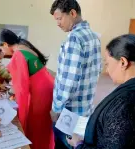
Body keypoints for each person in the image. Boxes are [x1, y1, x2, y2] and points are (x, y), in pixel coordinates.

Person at [67, 34, 135, 149]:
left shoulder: (128, 101)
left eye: (107, 64)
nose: (107, 70)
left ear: (123, 62)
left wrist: (78, 144)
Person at [50, 0, 102, 148]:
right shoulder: (93, 36)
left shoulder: (74, 38)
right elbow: (96, 70)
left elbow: (68, 80)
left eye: (59, 18)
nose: (58, 23)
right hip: (85, 107)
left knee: (63, 144)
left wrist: (56, 109)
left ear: (72, 13)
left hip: (69, 112)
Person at [0, 29, 54, 149]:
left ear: (5, 44)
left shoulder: (18, 55)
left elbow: (22, 91)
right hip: (47, 92)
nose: (2, 52)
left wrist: (21, 120)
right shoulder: (24, 48)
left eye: (1, 49)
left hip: (39, 97)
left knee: (35, 128)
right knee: (43, 128)